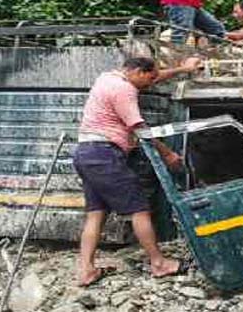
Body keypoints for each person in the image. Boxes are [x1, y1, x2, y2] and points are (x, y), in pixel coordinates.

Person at [74, 55, 202, 286]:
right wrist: (168, 154)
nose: (152, 84)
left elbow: (156, 75)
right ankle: (158, 263)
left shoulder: (107, 78)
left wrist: (183, 68)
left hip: (85, 153)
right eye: (150, 79)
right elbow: (139, 128)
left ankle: (86, 270)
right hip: (105, 155)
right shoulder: (125, 90)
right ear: (139, 72)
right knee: (139, 209)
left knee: (96, 214)